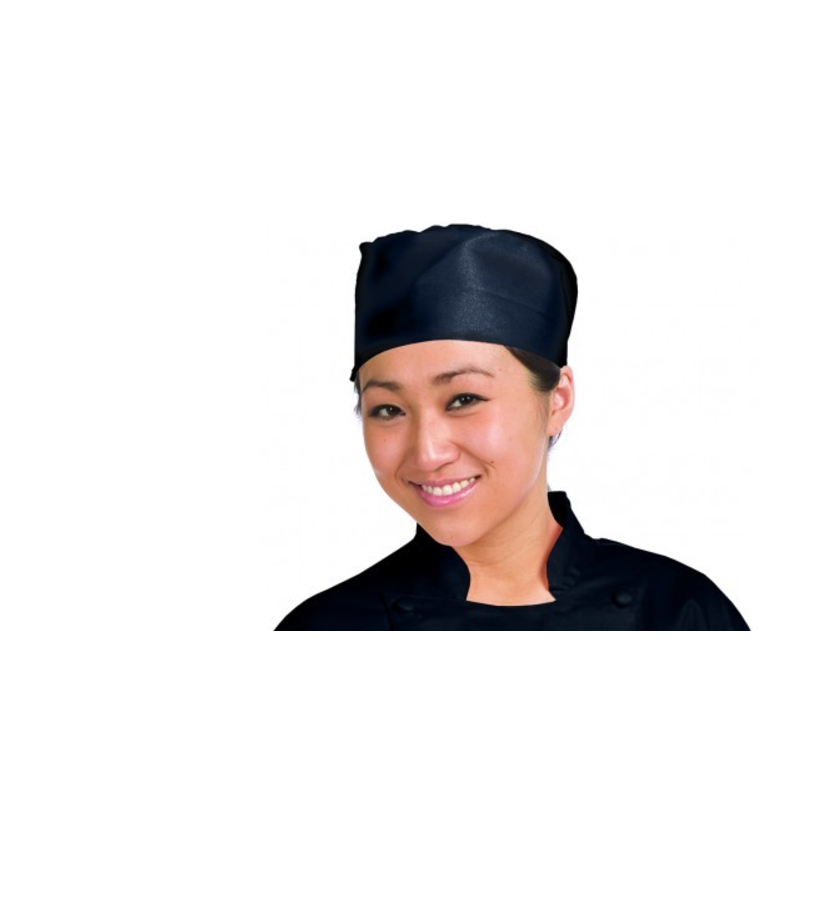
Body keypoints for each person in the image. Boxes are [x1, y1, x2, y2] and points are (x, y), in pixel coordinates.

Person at [275, 223, 749, 630]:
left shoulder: (678, 612)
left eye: (464, 399)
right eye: (388, 410)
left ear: (558, 400)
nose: (428, 453)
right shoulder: (325, 627)